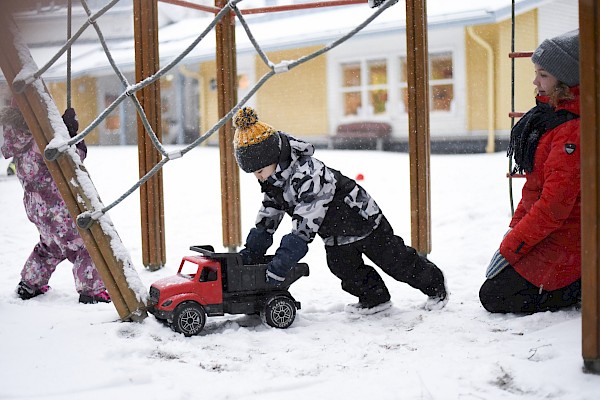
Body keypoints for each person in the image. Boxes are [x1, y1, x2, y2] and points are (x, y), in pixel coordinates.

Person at [233, 106, 448, 313]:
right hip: (335, 231)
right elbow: (268, 217)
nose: (258, 177)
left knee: (395, 261)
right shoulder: (275, 182)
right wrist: (253, 251)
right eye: (254, 173)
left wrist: (282, 263)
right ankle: (375, 298)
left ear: (274, 158)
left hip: (362, 219)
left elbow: (304, 227)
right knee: (342, 267)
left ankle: (435, 286)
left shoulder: (309, 175)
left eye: (260, 170)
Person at [479, 29, 581, 313]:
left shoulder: (570, 129)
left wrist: (511, 247)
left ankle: (577, 287)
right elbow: (534, 189)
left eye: (544, 75)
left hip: (568, 238)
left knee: (494, 295)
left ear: (566, 79)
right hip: (555, 233)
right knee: (496, 285)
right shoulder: (551, 118)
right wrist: (513, 233)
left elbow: (553, 207)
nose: (535, 81)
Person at [0, 101, 110, 304]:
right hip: (59, 207)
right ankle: (91, 291)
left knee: (50, 246)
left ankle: (29, 284)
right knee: (84, 244)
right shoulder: (38, 140)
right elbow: (71, 159)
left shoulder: (17, 144)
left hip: (37, 207)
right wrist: (73, 135)